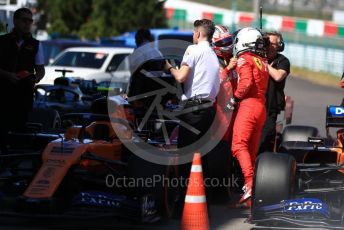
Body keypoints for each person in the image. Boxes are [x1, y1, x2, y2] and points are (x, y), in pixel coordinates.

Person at [165, 19, 220, 212]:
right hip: (209, 110)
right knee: (202, 159)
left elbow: (181, 77)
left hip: (193, 110)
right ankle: (202, 204)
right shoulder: (213, 55)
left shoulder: (193, 49)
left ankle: (183, 205)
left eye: (193, 33)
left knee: (187, 159)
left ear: (197, 34)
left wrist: (169, 67)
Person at [229, 27, 269, 207]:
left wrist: (233, 99)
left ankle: (250, 184)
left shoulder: (245, 58)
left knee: (238, 146)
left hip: (249, 105)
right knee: (251, 150)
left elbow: (245, 84)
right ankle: (253, 193)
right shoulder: (263, 60)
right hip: (261, 107)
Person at [0, 7, 45, 153]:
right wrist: (8, 75)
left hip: (23, 97)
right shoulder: (2, 41)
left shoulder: (36, 44)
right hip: (3, 94)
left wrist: (36, 78)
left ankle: (14, 168)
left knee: (18, 134)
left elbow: (40, 69)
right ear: (15, 21)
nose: (27, 24)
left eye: (30, 21)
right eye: (24, 20)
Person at [259, 31, 290, 153]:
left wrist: (264, 65)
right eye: (268, 43)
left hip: (270, 107)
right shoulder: (257, 58)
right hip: (254, 105)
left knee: (265, 139)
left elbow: (278, 76)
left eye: (274, 44)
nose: (271, 46)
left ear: (279, 46)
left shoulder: (283, 61)